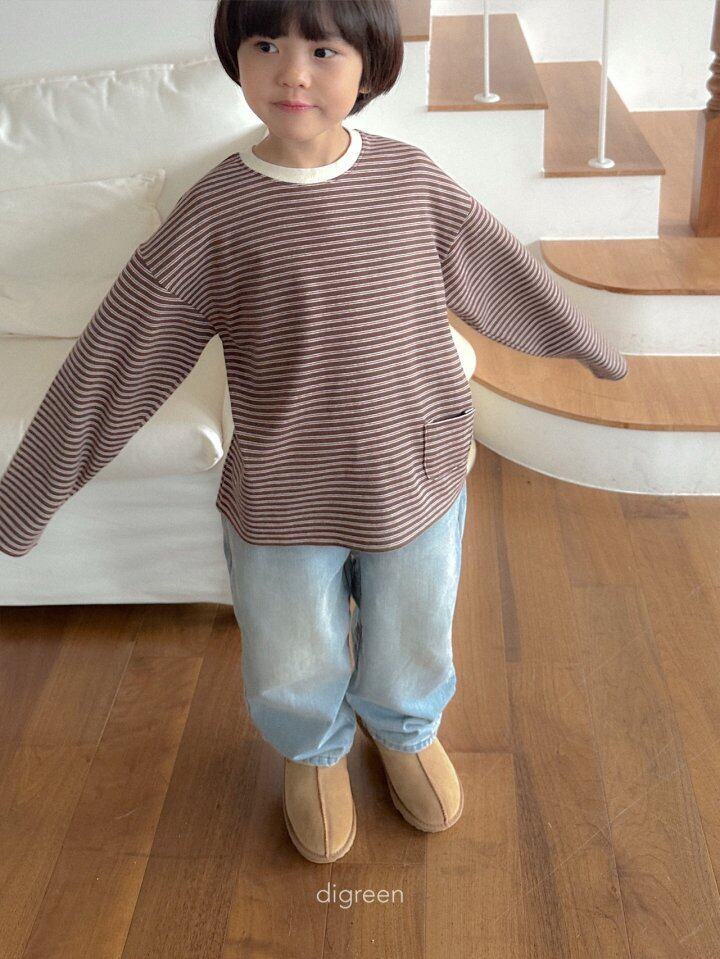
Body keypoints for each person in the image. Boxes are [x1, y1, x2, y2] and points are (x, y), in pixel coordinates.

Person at [0, 0, 628, 864]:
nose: (293, 71)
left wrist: (588, 346)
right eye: (266, 44)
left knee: (414, 623)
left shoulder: (410, 181)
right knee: (290, 649)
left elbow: (499, 268)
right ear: (237, 56)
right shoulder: (215, 215)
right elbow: (121, 353)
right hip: (282, 491)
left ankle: (404, 730)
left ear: (368, 66)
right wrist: (28, 494)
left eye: (323, 50)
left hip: (414, 472)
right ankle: (314, 750)